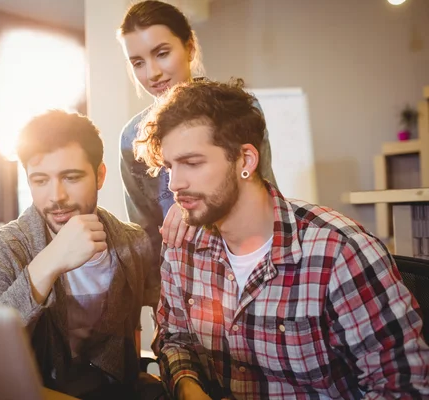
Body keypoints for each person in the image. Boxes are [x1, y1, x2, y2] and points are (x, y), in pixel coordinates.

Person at [134, 79, 429, 400]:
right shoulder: (182, 247)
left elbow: (402, 387)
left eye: (192, 163)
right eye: (169, 167)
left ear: (245, 160)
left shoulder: (339, 252)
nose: (175, 183)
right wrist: (188, 387)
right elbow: (174, 338)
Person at [0, 110, 161, 399]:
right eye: (40, 180)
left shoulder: (132, 241)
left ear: (99, 175)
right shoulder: (1, 249)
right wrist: (50, 261)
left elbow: (165, 320)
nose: (55, 196)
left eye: (70, 177)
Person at [117, 0, 277, 254]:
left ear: (189, 48)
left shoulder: (239, 109)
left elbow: (264, 195)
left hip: (247, 253)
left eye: (162, 53)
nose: (152, 73)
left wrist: (193, 208)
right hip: (177, 272)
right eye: (138, 63)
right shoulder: (131, 138)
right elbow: (144, 234)